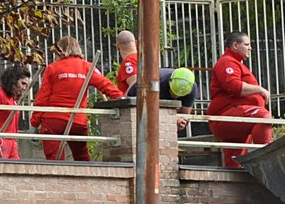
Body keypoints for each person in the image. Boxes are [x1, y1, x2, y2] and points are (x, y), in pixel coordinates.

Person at [31, 36, 121, 161]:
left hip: (53, 120)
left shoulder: (52, 68)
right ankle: (86, 180)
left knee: (54, 160)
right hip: (77, 120)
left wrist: (34, 123)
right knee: (82, 158)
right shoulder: (87, 67)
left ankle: (58, 180)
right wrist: (121, 98)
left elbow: (42, 98)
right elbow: (105, 84)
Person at [210, 30, 275, 169]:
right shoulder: (227, 62)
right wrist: (259, 89)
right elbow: (233, 86)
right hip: (228, 115)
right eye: (246, 44)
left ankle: (231, 186)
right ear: (235, 45)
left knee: (234, 163)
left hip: (238, 116)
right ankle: (267, 162)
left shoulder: (235, 63)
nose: (250, 47)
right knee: (263, 117)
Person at [114, 29, 198, 134]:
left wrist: (121, 104)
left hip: (139, 105)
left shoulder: (129, 61)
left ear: (117, 47)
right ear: (135, 42)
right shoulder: (143, 59)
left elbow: (135, 82)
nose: (175, 97)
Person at [0, 64, 32, 160]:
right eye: (23, 83)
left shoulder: (12, 98)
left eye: (26, 85)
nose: (24, 88)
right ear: (13, 81)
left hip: (11, 142)